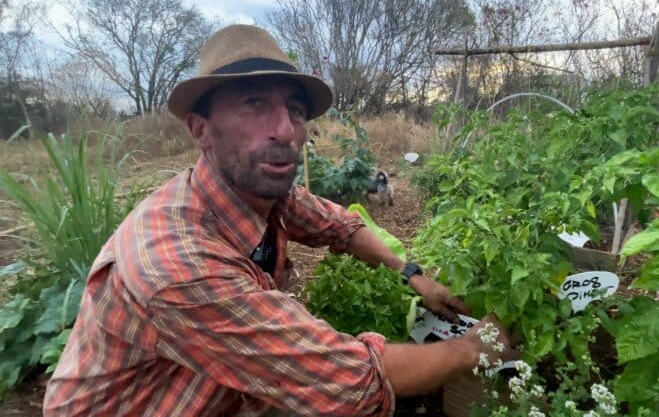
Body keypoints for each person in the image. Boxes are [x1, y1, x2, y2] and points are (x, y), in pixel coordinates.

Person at [43, 24, 512, 416]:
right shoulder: (178, 265)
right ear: (201, 130)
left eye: (295, 109)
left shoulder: (260, 190)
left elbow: (338, 225)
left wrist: (414, 276)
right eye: (253, 104)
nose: (286, 130)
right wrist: (472, 349)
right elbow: (346, 380)